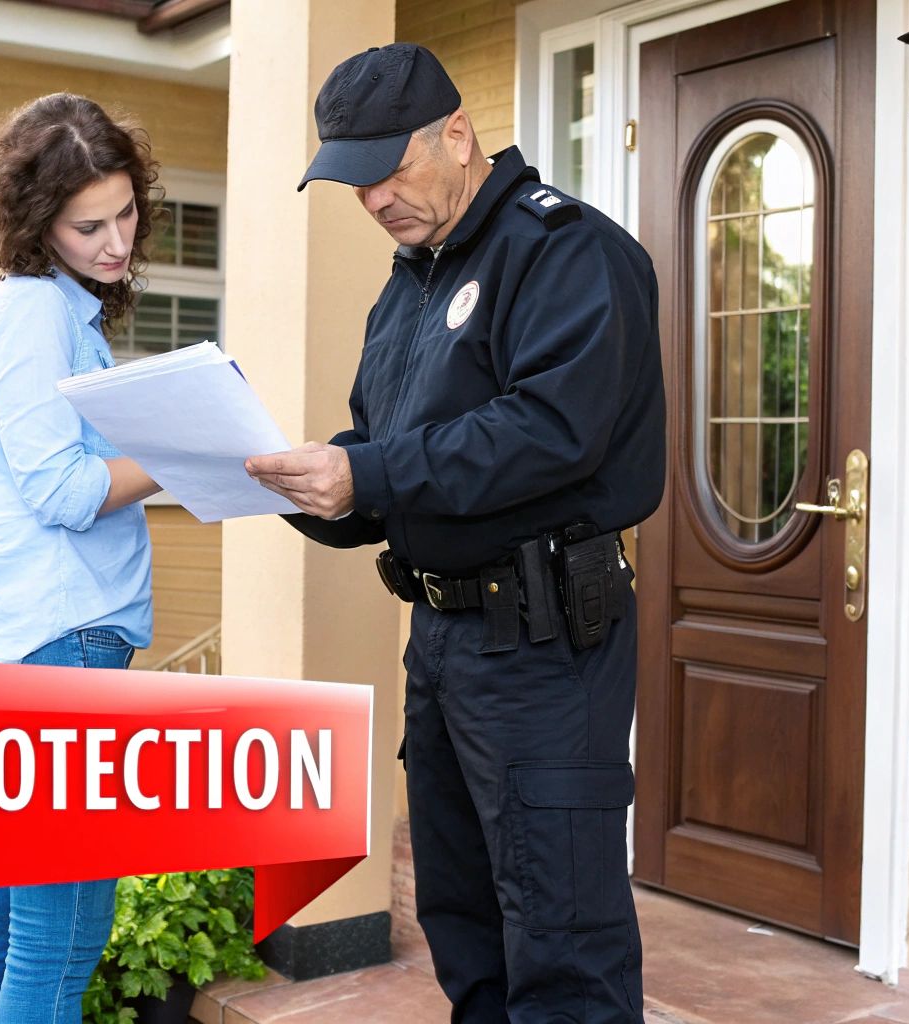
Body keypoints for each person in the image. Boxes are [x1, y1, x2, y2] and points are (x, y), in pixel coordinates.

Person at [245, 44, 666, 1024]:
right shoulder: (409, 286)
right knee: (462, 920)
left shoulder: (565, 251)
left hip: (544, 638)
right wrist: (317, 489)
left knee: (561, 940)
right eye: (353, 184)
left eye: (388, 170)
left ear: (457, 134)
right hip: (441, 641)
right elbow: (391, 455)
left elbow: (547, 431)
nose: (374, 199)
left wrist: (369, 472)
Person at [0, 91, 162, 1024]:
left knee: (15, 913)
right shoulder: (34, 314)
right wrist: (185, 449)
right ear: (39, 225)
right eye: (89, 226)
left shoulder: (56, 312)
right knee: (62, 931)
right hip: (58, 643)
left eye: (125, 212)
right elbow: (65, 492)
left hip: (27, 641)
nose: (116, 241)